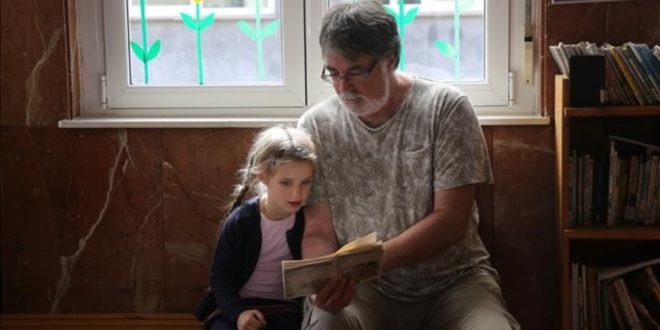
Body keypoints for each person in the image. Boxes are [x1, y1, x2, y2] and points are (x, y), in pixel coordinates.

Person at [296, 1, 520, 329]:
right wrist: (321, 287)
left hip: (454, 282)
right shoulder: (315, 126)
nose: (344, 88)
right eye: (333, 73)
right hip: (361, 289)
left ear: (391, 59)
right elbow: (318, 229)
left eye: (357, 71)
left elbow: (450, 222)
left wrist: (367, 261)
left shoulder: (446, 109)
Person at [198, 126, 317, 330]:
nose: (297, 193)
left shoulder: (307, 219)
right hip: (237, 306)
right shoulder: (242, 221)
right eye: (286, 183)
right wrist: (239, 313)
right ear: (263, 178)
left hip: (284, 308)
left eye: (305, 182)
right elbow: (220, 280)